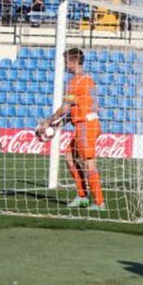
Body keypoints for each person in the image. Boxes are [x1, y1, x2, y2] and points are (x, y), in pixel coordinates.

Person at [35, 48, 105, 211]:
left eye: (66, 61)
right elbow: (77, 109)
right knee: (70, 157)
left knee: (89, 164)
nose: (65, 65)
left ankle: (99, 203)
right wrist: (56, 124)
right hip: (86, 123)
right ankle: (82, 196)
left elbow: (65, 107)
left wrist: (47, 122)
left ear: (73, 61)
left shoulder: (76, 82)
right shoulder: (88, 80)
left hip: (85, 126)